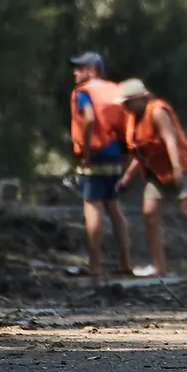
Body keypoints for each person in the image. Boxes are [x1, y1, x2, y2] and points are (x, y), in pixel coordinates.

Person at [115, 79, 187, 278]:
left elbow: (170, 139)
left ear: (141, 98)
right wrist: (127, 177)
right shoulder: (133, 118)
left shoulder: (157, 110)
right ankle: (158, 266)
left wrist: (177, 169)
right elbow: (140, 153)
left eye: (128, 102)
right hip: (156, 173)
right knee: (149, 215)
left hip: (182, 167)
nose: (125, 106)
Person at [69, 52, 132, 278]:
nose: (75, 72)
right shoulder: (115, 91)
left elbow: (90, 119)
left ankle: (95, 265)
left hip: (94, 156)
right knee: (114, 209)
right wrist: (126, 155)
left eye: (79, 68)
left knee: (92, 207)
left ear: (92, 70)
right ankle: (125, 262)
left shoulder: (85, 93)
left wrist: (86, 152)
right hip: (115, 156)